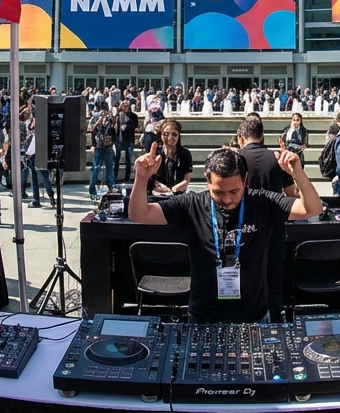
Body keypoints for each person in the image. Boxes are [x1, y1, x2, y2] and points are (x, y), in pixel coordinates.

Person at [127, 146, 323, 323]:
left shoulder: (263, 203)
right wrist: (142, 178)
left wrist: (297, 173)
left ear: (245, 180)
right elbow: (139, 214)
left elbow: (312, 208)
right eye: (219, 192)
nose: (227, 199)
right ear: (207, 181)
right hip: (204, 316)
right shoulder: (191, 205)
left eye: (234, 191)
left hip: (253, 315)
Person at [238, 114, 296, 195]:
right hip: (274, 206)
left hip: (244, 207)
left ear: (239, 137)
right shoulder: (279, 158)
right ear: (262, 136)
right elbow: (291, 193)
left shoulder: (235, 159)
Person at [146, 119, 193, 194]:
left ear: (178, 136)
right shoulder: (155, 153)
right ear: (161, 135)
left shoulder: (185, 154)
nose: (170, 138)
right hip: (157, 194)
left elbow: (186, 180)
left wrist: (170, 190)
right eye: (166, 134)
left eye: (174, 134)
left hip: (177, 196)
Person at [87, 108, 116, 199]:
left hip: (108, 149)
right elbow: (92, 132)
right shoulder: (97, 126)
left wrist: (112, 144)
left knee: (109, 169)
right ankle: (92, 189)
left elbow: (113, 135)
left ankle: (111, 187)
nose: (103, 118)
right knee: (95, 168)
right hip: (98, 149)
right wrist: (93, 145)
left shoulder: (110, 126)